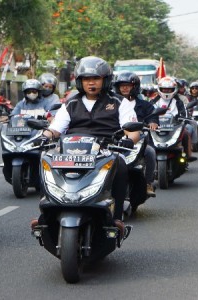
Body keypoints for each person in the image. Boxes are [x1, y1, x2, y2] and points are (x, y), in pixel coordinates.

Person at [41, 56, 139, 236]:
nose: (91, 83)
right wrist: (44, 136)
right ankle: (45, 214)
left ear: (105, 80)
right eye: (86, 79)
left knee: (122, 165)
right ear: (80, 82)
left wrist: (128, 139)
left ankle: (116, 218)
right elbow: (55, 128)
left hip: (107, 151)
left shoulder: (119, 102)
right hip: (72, 151)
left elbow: (132, 131)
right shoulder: (71, 102)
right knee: (45, 161)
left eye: (96, 79)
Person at [114, 71, 158, 197]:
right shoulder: (112, 103)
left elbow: (153, 116)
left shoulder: (145, 104)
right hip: (116, 138)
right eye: (122, 85)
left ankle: (148, 183)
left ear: (135, 87)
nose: (125, 88)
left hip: (139, 139)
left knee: (150, 152)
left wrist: (153, 123)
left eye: (128, 85)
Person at [151, 76, 197, 162]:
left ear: (174, 89)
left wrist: (182, 118)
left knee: (186, 132)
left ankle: (187, 155)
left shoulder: (179, 101)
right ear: (159, 89)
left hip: (174, 125)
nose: (166, 91)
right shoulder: (153, 101)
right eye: (164, 89)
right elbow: (148, 112)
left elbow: (184, 113)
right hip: (157, 126)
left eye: (169, 89)